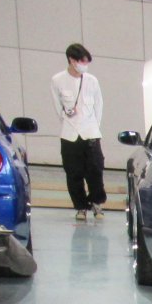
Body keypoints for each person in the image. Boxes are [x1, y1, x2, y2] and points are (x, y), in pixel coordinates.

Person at [50, 43, 106, 222]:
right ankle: (80, 207)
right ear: (72, 60)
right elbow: (57, 107)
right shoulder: (57, 80)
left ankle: (97, 203)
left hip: (90, 133)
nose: (84, 65)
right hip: (69, 134)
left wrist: (94, 127)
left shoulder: (92, 80)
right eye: (81, 61)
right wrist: (68, 120)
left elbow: (99, 105)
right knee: (73, 173)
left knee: (95, 170)